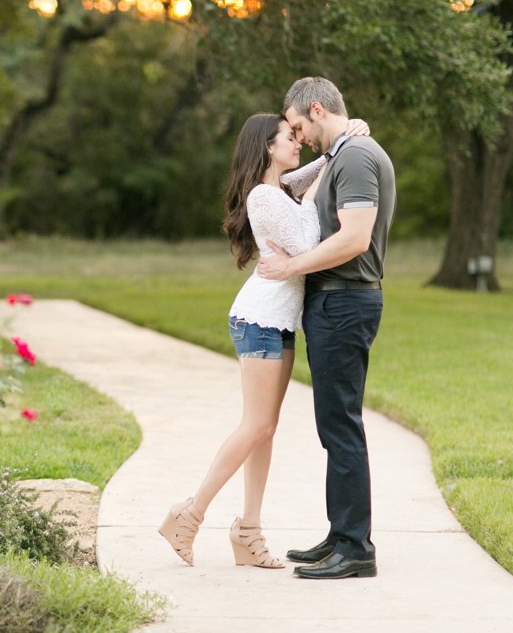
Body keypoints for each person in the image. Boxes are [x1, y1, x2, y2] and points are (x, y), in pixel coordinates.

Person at [158, 111, 369, 569]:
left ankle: (248, 532)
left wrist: (347, 136)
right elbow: (307, 242)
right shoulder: (264, 196)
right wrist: (319, 184)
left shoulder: (283, 188)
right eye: (289, 138)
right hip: (259, 319)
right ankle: (188, 515)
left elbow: (324, 164)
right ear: (268, 148)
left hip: (279, 321)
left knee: (266, 430)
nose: (298, 143)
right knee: (254, 426)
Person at [257, 76, 395, 580]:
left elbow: (355, 238)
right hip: (335, 304)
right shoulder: (343, 154)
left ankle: (356, 549)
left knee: (341, 426)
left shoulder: (355, 156)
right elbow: (294, 189)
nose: (298, 137)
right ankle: (341, 535)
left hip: (345, 303)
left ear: (316, 110)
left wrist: (291, 268)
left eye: (298, 126)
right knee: (334, 425)